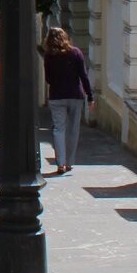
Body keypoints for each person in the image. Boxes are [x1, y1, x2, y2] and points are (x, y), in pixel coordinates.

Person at [43, 26, 95, 173]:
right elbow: (83, 76)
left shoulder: (48, 56)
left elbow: (48, 78)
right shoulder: (76, 53)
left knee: (59, 129)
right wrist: (90, 96)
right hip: (75, 96)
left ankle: (60, 162)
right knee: (73, 129)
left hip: (57, 96)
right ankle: (70, 162)